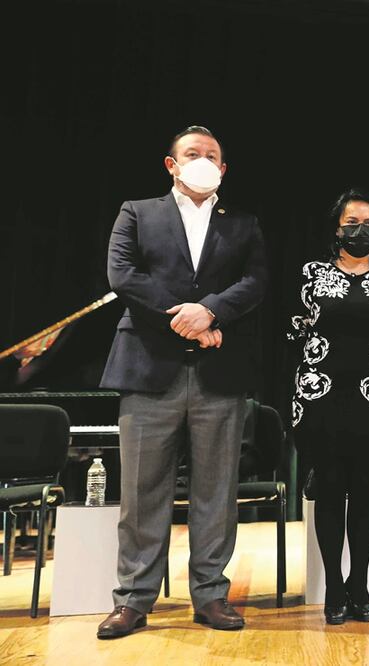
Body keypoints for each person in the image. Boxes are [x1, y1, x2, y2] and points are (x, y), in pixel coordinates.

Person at [96, 126, 268, 639]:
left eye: (213, 155)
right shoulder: (137, 212)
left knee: (216, 490)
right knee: (142, 492)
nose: (203, 160)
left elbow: (256, 282)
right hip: (149, 369)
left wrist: (210, 311)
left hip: (219, 372)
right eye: (193, 153)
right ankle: (133, 599)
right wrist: (186, 318)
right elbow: (123, 275)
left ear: (224, 169)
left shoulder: (243, 223)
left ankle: (210, 594)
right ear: (171, 164)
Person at [288, 188, 369, 624]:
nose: (361, 231)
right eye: (352, 223)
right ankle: (334, 588)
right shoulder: (311, 273)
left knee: (364, 492)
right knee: (329, 490)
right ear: (337, 229)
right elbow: (293, 329)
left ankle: (360, 585)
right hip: (321, 396)